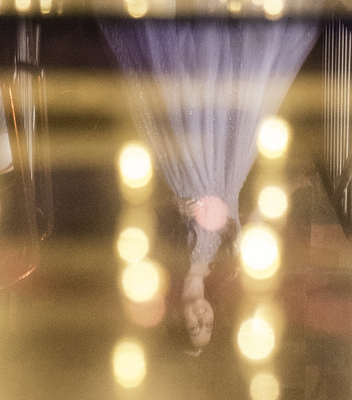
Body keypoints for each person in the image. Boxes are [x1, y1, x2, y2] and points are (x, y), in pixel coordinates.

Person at [102, 19, 318, 350]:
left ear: (180, 319)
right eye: (207, 325)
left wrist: (179, 207)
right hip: (229, 164)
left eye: (194, 326)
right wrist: (294, 184)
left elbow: (140, 212)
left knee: (189, 91)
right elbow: (259, 216)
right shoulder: (228, 263)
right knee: (240, 88)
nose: (202, 317)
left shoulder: (163, 267)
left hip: (189, 168)